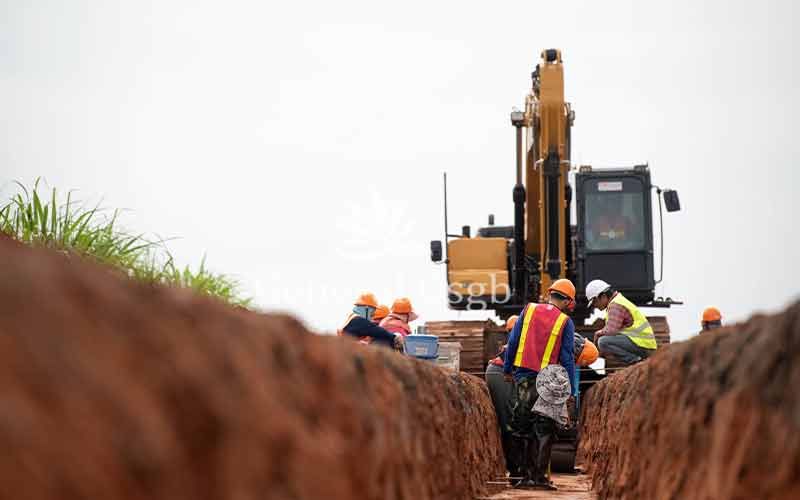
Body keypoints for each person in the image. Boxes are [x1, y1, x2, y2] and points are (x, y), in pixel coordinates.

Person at [503, 279, 577, 490]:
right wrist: (569, 389)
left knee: (522, 426)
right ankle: (540, 478)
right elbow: (567, 357)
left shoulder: (529, 309)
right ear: (568, 301)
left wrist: (508, 369)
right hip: (550, 380)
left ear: (550, 294)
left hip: (524, 376)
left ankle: (522, 477)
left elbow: (513, 341)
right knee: (544, 429)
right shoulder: (565, 321)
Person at [585, 279, 657, 365]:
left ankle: (636, 362)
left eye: (595, 302)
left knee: (603, 342)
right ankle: (637, 361)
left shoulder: (615, 305)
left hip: (643, 345)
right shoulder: (617, 301)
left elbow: (611, 331)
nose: (595, 306)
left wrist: (597, 334)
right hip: (644, 344)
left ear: (603, 296)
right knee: (605, 340)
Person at [485, 315, 519, 480]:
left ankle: (517, 467)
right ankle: (515, 469)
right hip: (499, 374)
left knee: (515, 418)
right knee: (508, 421)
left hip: (506, 375)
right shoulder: (513, 346)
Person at [337, 293, 404, 350]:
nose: (372, 316)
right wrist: (394, 337)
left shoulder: (352, 318)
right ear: (366, 308)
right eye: (372, 313)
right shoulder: (358, 320)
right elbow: (376, 330)